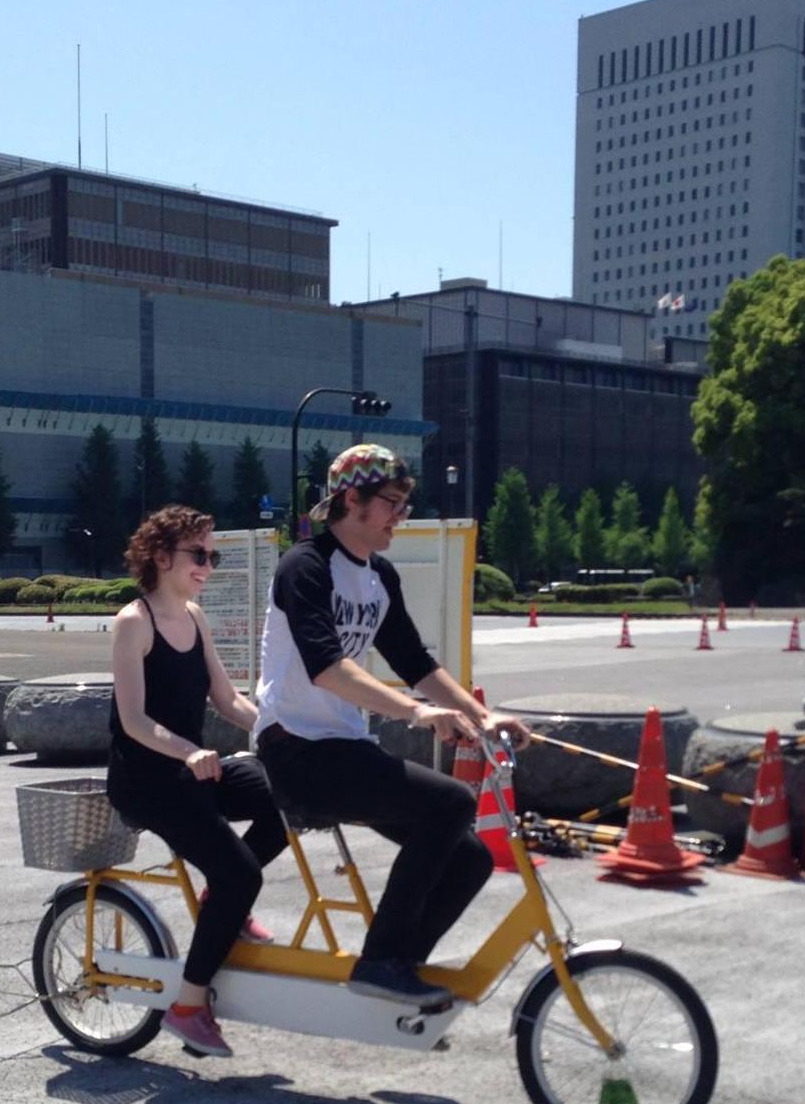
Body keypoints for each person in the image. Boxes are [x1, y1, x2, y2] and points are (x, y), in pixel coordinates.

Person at [254, 444, 530, 1009]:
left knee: (471, 856)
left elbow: (415, 662)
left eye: (405, 505)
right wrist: (416, 712)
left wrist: (483, 716)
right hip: (296, 752)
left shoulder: (378, 575)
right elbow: (328, 668)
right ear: (350, 499)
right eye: (392, 504)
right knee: (451, 803)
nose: (400, 517)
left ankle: (399, 963)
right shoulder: (304, 567)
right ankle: (380, 962)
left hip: (345, 750)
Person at [107, 504, 286, 1059]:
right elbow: (133, 720)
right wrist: (188, 752)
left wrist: (285, 729)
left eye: (214, 554)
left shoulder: (195, 616)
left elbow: (227, 699)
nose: (209, 565)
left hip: (194, 769)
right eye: (199, 554)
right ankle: (187, 1006)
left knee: (291, 796)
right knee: (241, 872)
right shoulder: (133, 622)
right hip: (148, 780)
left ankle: (216, 900)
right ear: (161, 557)